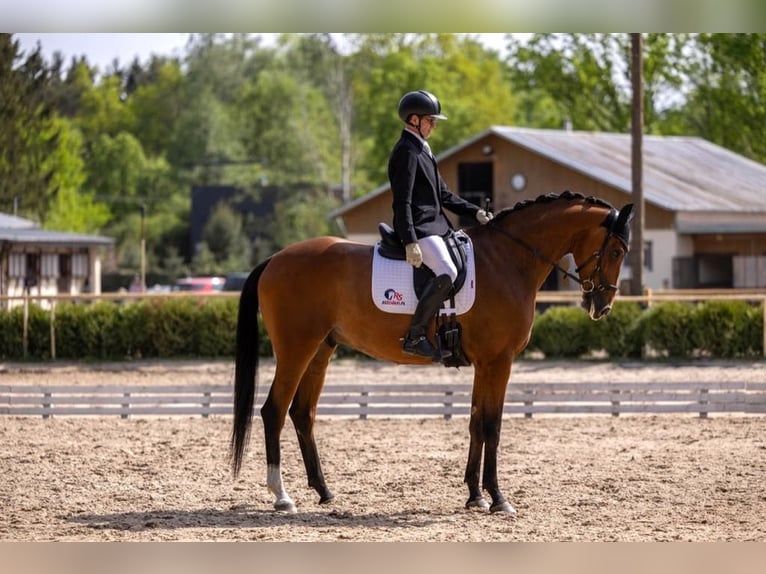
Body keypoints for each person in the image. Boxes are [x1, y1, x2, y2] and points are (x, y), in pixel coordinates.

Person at [388, 89, 493, 360]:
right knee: (446, 270)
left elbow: (443, 195)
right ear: (414, 120)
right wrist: (410, 240)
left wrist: (476, 212)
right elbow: (403, 201)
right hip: (420, 228)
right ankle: (416, 335)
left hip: (436, 226)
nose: (434, 125)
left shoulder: (422, 149)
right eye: (430, 120)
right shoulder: (406, 152)